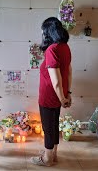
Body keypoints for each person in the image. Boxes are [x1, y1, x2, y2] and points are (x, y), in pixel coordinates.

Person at [30, 17, 73, 166]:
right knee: (54, 125)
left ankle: (47, 159)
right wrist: (68, 94)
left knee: (48, 128)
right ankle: (53, 154)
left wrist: (62, 98)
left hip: (49, 96)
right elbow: (68, 73)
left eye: (43, 31)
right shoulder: (65, 47)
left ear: (48, 32)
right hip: (60, 95)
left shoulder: (52, 49)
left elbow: (56, 80)